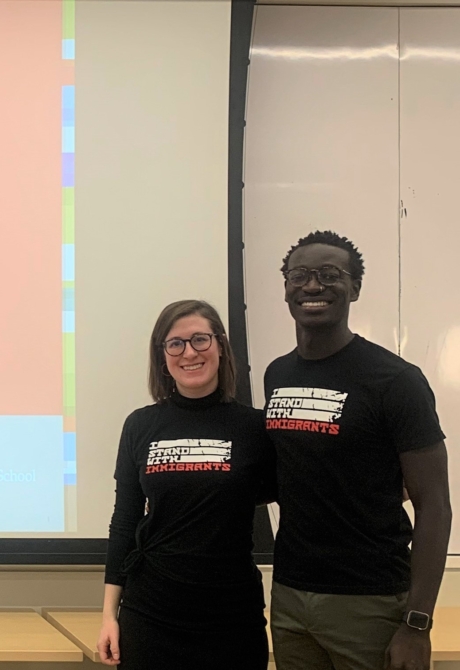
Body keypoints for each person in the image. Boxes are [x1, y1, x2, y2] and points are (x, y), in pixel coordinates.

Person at [266, 230, 451, 670]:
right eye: (300, 275)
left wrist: (417, 623)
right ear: (287, 288)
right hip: (289, 596)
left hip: (370, 602)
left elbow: (435, 507)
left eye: (330, 275)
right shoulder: (277, 373)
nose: (313, 286)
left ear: (355, 288)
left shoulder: (397, 381)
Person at [97, 299, 273, 670]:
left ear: (221, 347)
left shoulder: (256, 428)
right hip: (150, 616)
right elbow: (124, 521)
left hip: (232, 620)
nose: (188, 352)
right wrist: (109, 615)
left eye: (200, 340)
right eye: (175, 343)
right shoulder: (140, 425)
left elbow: (306, 489)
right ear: (162, 357)